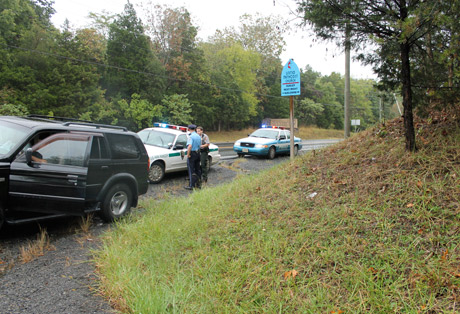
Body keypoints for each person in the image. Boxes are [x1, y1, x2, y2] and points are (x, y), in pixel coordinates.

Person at [185, 124, 202, 190]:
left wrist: (188, 154)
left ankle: (191, 185)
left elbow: (190, 146)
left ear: (189, 129)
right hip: (198, 153)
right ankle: (199, 184)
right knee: (198, 169)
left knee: (191, 170)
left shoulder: (191, 137)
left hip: (192, 153)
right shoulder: (198, 136)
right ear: (195, 129)